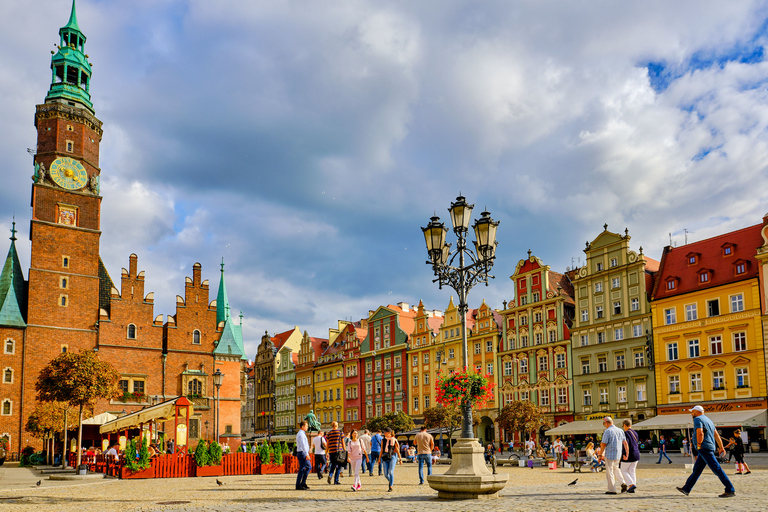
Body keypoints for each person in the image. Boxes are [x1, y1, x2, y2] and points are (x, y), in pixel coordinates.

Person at [677, 405, 735, 498]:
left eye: (693, 411)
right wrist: (721, 447)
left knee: (717, 469)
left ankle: (730, 489)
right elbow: (716, 435)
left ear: (697, 411)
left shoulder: (697, 419)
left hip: (704, 448)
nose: (692, 413)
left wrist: (699, 444)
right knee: (697, 470)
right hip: (708, 447)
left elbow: (700, 432)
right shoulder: (709, 420)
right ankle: (686, 488)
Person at [598, 417, 627, 495]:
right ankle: (623, 483)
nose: (605, 426)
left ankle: (612, 489)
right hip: (618, 454)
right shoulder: (620, 430)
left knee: (609, 472)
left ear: (607, 423)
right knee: (616, 469)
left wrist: (600, 454)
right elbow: (624, 442)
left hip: (610, 454)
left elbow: (603, 444)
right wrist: (626, 453)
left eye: (605, 424)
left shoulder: (607, 431)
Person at [378, 427, 401, 492]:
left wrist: (400, 459)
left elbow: (397, 450)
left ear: (389, 433)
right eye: (384, 432)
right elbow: (382, 450)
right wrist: (379, 459)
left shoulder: (394, 440)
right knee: (385, 474)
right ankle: (390, 481)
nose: (384, 433)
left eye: (385, 432)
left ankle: (390, 486)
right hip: (385, 457)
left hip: (392, 456)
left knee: (390, 472)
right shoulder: (383, 440)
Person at [620, 419, 640, 493]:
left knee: (623, 470)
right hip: (636, 454)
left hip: (629, 454)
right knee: (632, 471)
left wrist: (625, 454)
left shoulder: (626, 433)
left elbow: (626, 444)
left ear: (625, 425)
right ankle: (632, 488)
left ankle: (631, 485)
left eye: (623, 426)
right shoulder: (635, 433)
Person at [295, 420, 311, 490]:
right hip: (302, 453)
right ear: (302, 426)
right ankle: (298, 484)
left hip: (303, 452)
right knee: (302, 469)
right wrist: (306, 454)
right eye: (306, 426)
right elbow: (303, 445)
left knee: (308, 467)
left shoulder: (302, 434)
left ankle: (303, 482)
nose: (307, 427)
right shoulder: (301, 434)